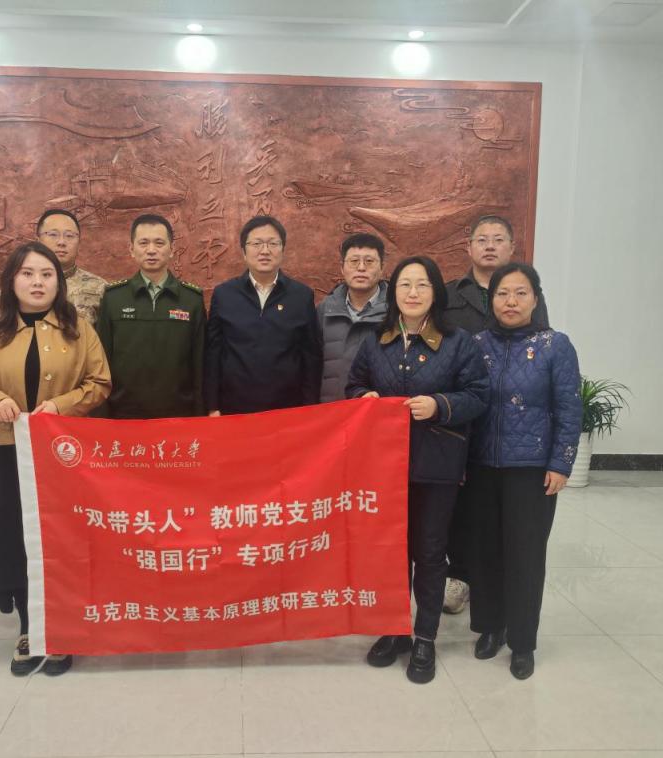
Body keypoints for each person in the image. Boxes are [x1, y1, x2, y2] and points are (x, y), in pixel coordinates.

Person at [0, 241, 111, 676]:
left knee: (63, 541)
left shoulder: (79, 329)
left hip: (64, 457)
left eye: (47, 274)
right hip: (13, 456)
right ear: (12, 281)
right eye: (27, 274)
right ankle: (29, 627)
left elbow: (100, 383)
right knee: (19, 539)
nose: (37, 282)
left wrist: (61, 406)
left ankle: (62, 628)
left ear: (59, 282)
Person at [346, 255, 489, 684]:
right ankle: (394, 630)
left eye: (422, 285)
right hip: (384, 468)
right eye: (405, 285)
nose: (412, 293)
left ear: (435, 293)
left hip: (436, 465)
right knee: (391, 553)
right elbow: (353, 384)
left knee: (428, 551)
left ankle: (425, 636)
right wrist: (364, 397)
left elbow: (478, 395)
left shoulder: (458, 342)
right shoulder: (377, 340)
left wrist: (439, 405)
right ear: (394, 293)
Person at [466, 261, 581, 680]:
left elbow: (570, 408)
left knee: (525, 555)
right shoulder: (476, 344)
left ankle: (522, 642)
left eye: (520, 293)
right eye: (502, 293)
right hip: (481, 466)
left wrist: (561, 463)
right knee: (485, 552)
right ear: (491, 300)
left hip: (531, 470)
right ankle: (490, 627)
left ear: (535, 299)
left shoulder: (555, 346)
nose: (510, 301)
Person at [441, 214, 549, 614]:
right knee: (460, 506)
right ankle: (461, 575)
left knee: (502, 515)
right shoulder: (449, 295)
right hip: (461, 417)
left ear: (511, 247)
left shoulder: (526, 293)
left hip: (510, 423)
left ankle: (498, 589)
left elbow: (541, 354)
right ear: (468, 247)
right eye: (482, 239)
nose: (490, 245)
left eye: (498, 239)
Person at [204, 215, 322, 415]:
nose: (265, 251)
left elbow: (311, 357)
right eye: (256, 243)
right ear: (244, 251)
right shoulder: (224, 294)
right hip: (234, 408)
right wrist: (212, 406)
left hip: (287, 409)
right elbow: (213, 353)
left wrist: (309, 407)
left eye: (273, 243)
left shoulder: (301, 296)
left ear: (283, 250)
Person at [97, 214, 206, 418]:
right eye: (143, 243)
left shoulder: (192, 300)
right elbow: (101, 363)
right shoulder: (114, 298)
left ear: (172, 249)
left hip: (178, 415)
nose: (151, 250)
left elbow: (200, 365)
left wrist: (200, 416)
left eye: (159, 243)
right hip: (124, 415)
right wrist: (102, 416)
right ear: (132, 249)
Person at [0, 208, 107, 326]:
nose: (61, 242)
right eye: (53, 234)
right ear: (38, 240)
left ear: (79, 242)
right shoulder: (14, 289)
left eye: (69, 236)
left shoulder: (100, 288)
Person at [317, 233, 388, 403]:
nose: (361, 268)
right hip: (329, 410)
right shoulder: (325, 309)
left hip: (374, 410)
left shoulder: (395, 311)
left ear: (382, 268)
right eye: (354, 261)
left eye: (369, 261)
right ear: (342, 268)